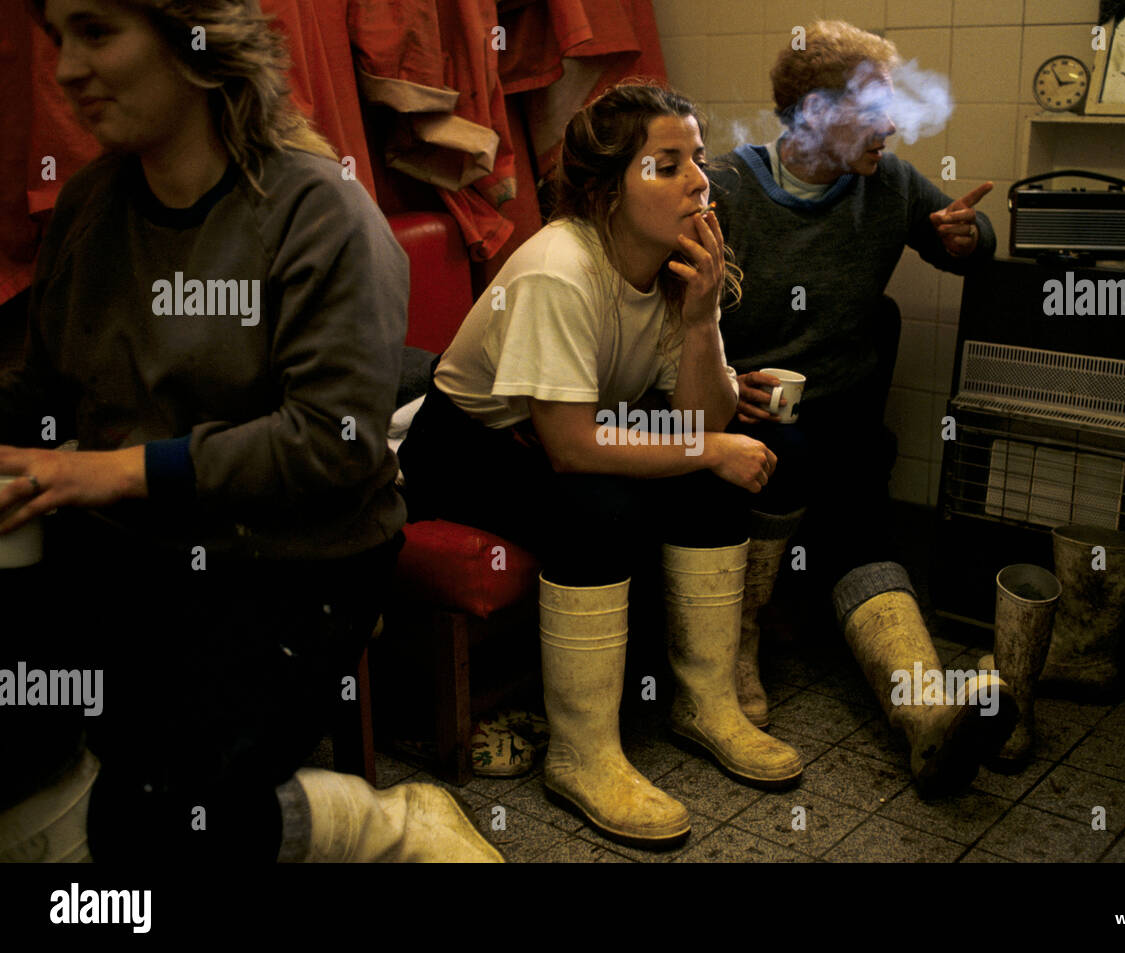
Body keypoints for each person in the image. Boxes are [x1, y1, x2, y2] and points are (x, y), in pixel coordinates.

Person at [0, 0, 499, 863]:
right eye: (56, 40)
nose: (67, 70)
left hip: (298, 564)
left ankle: (374, 823)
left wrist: (113, 472)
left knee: (153, 814)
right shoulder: (90, 208)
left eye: (96, 31)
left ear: (193, 45)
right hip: (128, 545)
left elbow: (330, 443)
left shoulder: (320, 213)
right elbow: (46, 391)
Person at [398, 82, 803, 848]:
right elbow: (571, 448)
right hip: (465, 448)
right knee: (602, 509)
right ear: (604, 192)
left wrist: (704, 316)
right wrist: (710, 447)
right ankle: (581, 754)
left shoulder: (667, 266)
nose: (698, 182)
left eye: (699, 161)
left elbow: (698, 423)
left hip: (558, 432)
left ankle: (706, 701)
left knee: (711, 487)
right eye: (666, 164)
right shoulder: (559, 266)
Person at [706, 20, 1014, 798]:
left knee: (863, 527)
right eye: (875, 106)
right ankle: (735, 646)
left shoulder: (892, 185)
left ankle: (928, 718)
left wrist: (968, 237)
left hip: (842, 425)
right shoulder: (728, 189)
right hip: (746, 423)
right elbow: (663, 317)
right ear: (812, 112)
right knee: (796, 463)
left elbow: (966, 235)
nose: (892, 124)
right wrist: (720, 380)